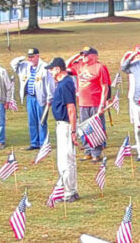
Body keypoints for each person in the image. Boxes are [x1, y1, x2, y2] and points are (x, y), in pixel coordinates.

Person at [46, 57, 79, 202]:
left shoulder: (65, 84)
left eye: (52, 69)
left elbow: (71, 108)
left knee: (65, 160)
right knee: (66, 160)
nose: (50, 72)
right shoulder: (64, 82)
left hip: (65, 125)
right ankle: (70, 190)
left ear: (58, 69)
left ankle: (68, 192)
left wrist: (73, 130)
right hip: (63, 125)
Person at [68, 47, 109, 163]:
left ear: (94, 56)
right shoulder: (80, 65)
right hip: (83, 103)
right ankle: (88, 152)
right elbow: (66, 67)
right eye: (83, 55)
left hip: (95, 102)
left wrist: (102, 105)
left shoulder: (99, 67)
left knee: (95, 128)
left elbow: (105, 87)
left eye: (86, 55)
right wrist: (76, 56)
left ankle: (96, 153)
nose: (84, 57)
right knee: (85, 128)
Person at [10, 48, 55, 150]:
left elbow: (49, 84)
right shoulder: (25, 66)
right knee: (32, 121)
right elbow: (13, 64)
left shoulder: (44, 67)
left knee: (42, 120)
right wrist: (21, 58)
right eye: (29, 57)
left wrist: (49, 98)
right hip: (30, 97)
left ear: (38, 56)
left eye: (32, 57)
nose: (30, 59)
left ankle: (43, 143)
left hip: (41, 98)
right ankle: (34, 143)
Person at [121, 44, 140, 163]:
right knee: (138, 129)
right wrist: (133, 55)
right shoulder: (135, 64)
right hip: (138, 100)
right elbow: (124, 67)